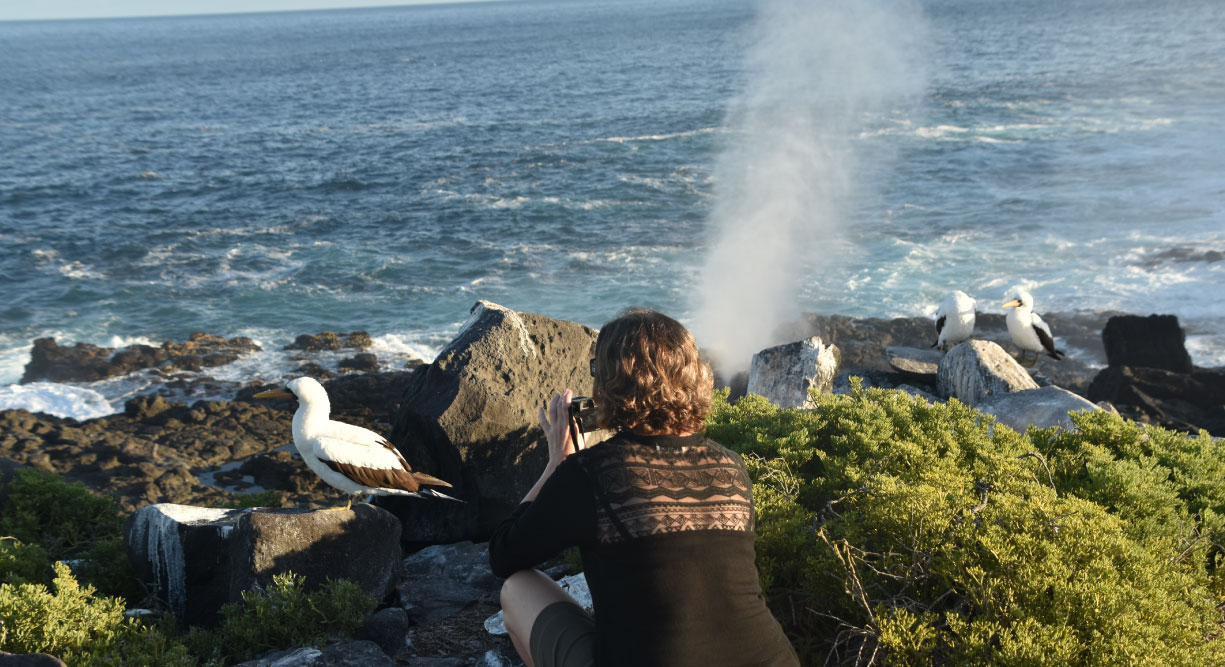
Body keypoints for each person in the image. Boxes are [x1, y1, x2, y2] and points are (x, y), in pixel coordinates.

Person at [488, 308, 800, 667]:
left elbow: (504, 555)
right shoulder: (730, 465)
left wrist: (556, 464)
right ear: (695, 377)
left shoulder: (592, 472)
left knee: (518, 589)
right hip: (773, 659)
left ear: (608, 384)